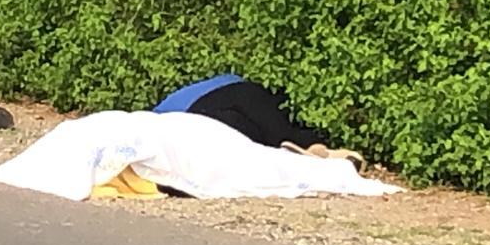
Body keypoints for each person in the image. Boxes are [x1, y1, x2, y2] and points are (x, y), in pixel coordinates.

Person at [153, 75, 363, 164]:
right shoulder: (164, 109)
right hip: (227, 94)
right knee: (262, 137)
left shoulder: (156, 118)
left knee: (268, 138)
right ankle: (321, 152)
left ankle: (311, 151)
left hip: (207, 105)